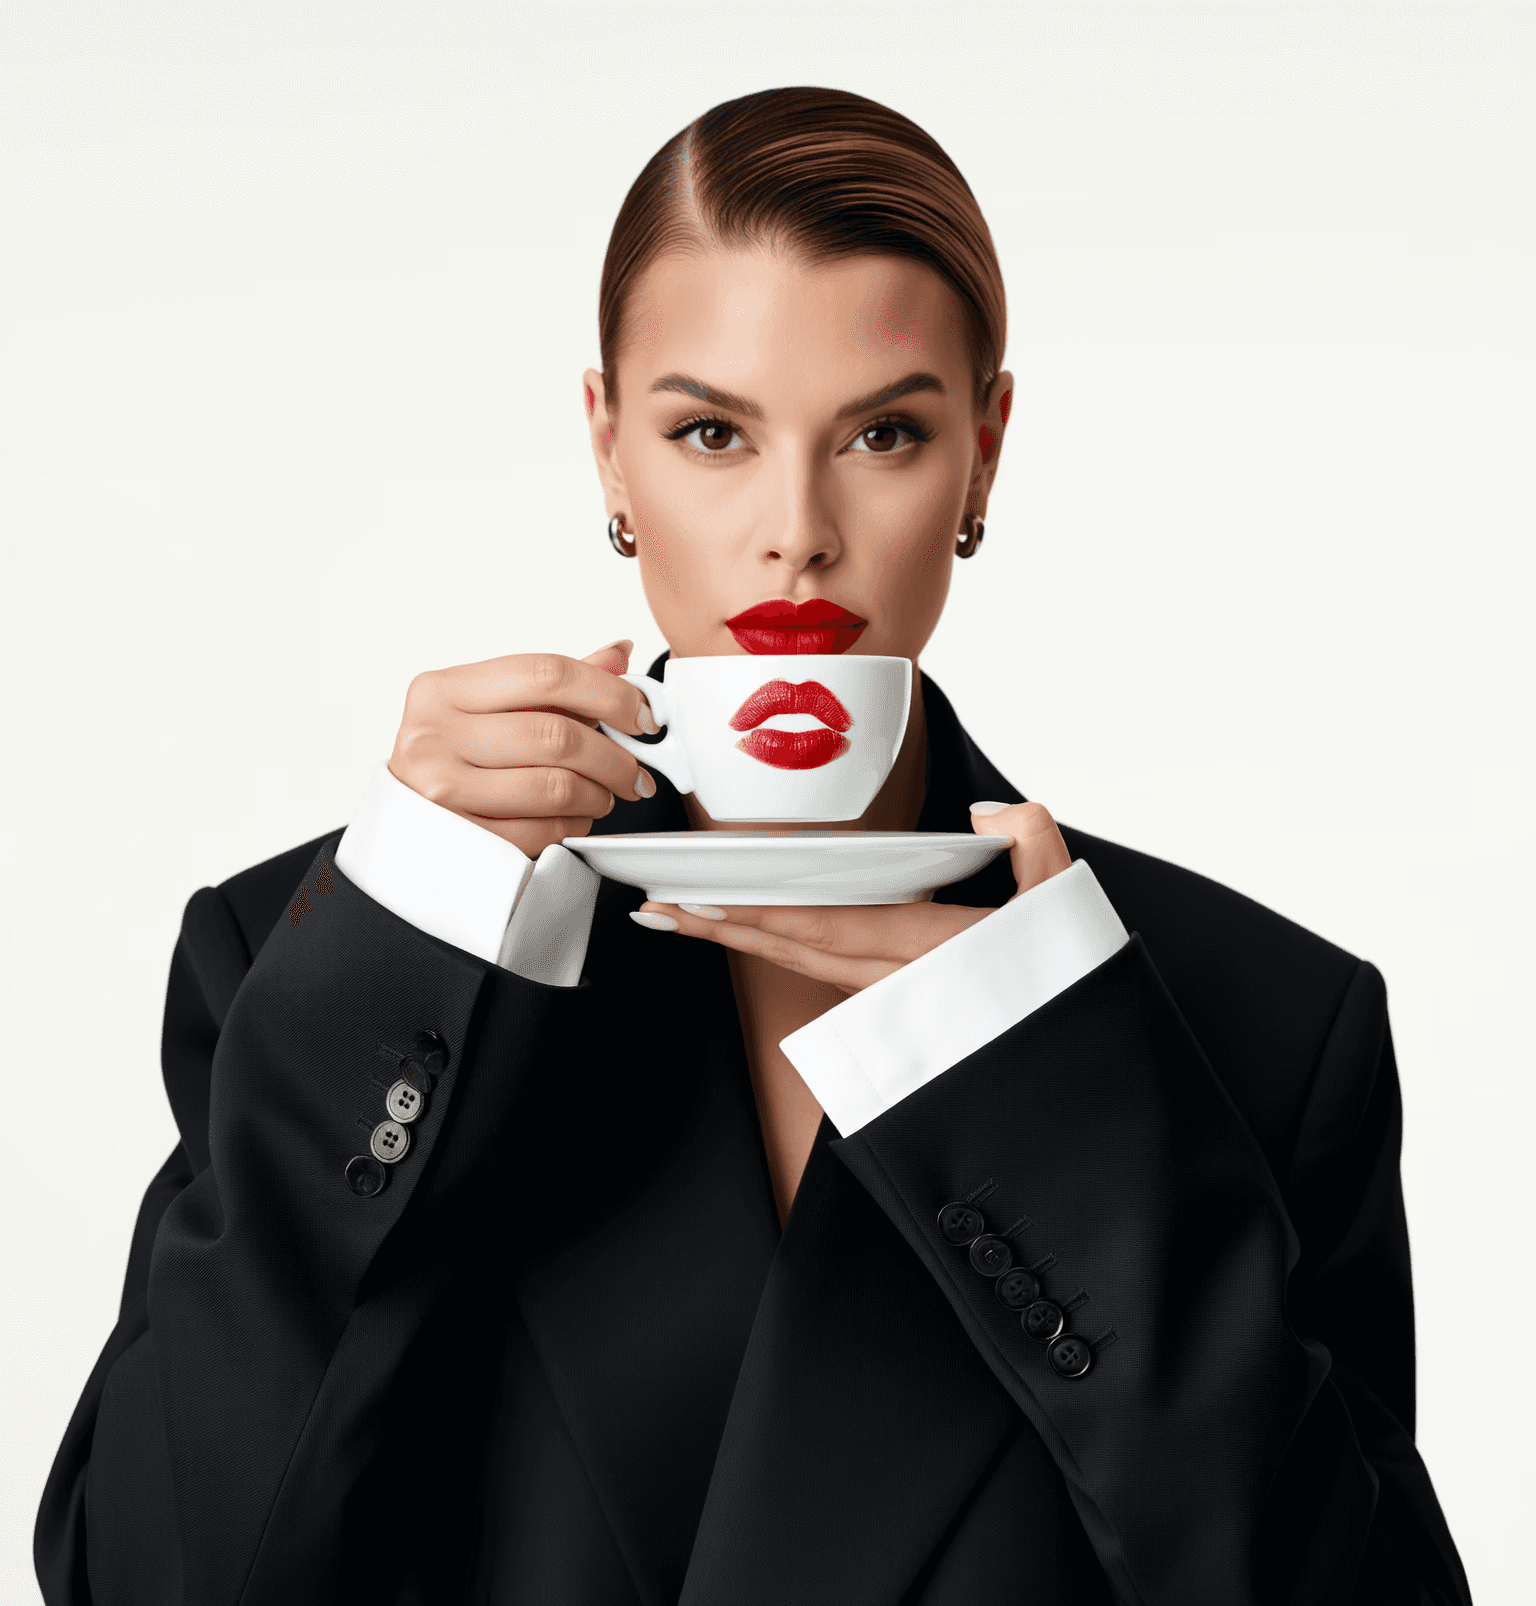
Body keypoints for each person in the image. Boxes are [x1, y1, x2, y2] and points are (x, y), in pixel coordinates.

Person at [36, 87, 1470, 1606]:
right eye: (711, 431)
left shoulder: (1251, 1020)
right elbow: (146, 1575)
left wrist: (1060, 1119)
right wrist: (404, 934)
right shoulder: (335, 956)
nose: (797, 529)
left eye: (886, 433)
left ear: (982, 456)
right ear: (608, 449)